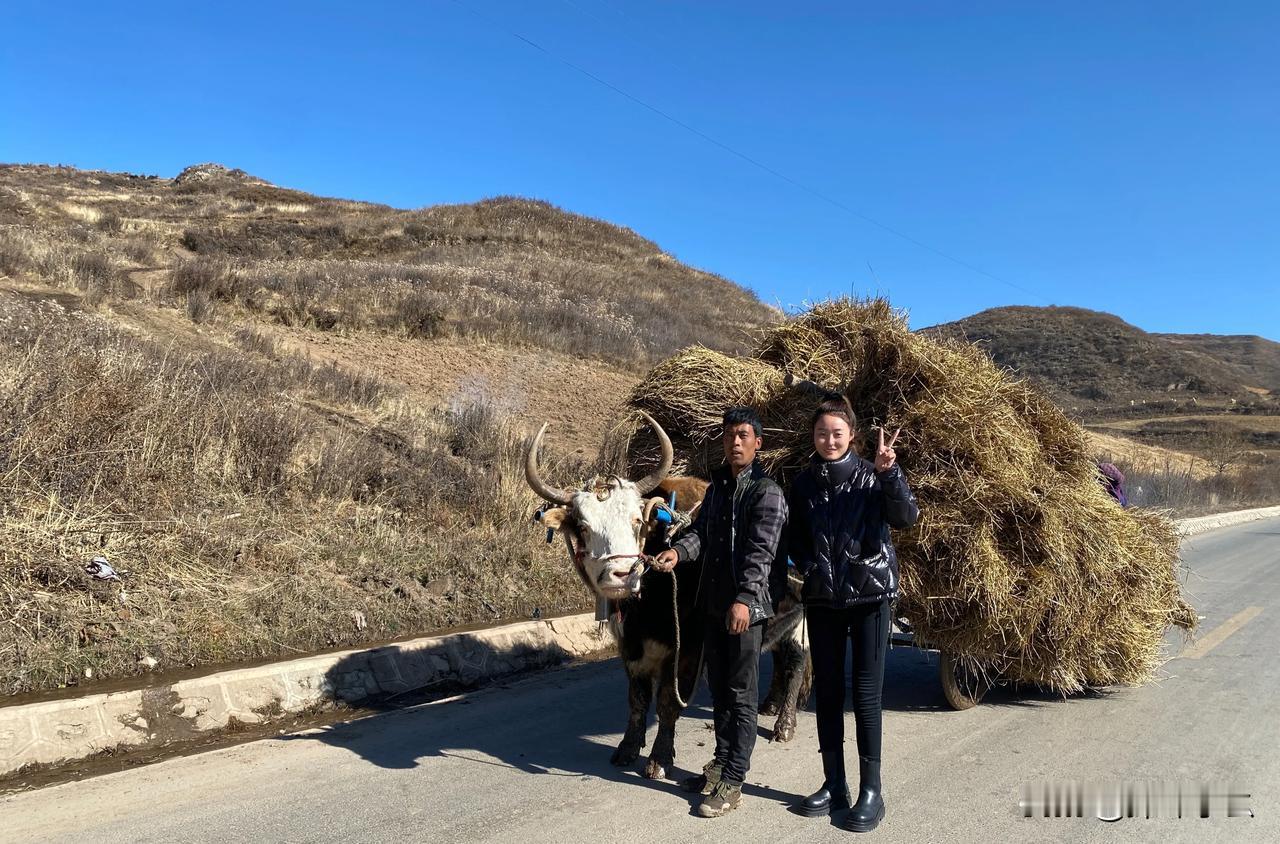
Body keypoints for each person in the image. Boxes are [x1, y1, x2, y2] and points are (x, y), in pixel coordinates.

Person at [786, 397, 919, 832]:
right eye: (822, 433)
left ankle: (871, 792)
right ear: (814, 436)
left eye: (837, 433)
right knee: (826, 693)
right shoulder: (803, 485)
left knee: (865, 697)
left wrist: (890, 473)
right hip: (824, 600)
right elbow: (797, 539)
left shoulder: (871, 475)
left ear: (852, 437)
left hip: (870, 599)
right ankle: (834, 784)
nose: (829, 440)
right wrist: (806, 567)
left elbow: (905, 517)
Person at [651, 406, 787, 818]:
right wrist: (677, 552)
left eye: (744, 435)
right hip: (713, 606)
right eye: (729, 435)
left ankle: (734, 779)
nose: (736, 441)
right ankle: (721, 762)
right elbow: (701, 535)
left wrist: (745, 599)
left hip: (746, 608)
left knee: (741, 694)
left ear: (757, 443)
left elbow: (761, 553)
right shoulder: (719, 489)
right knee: (721, 690)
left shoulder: (766, 492)